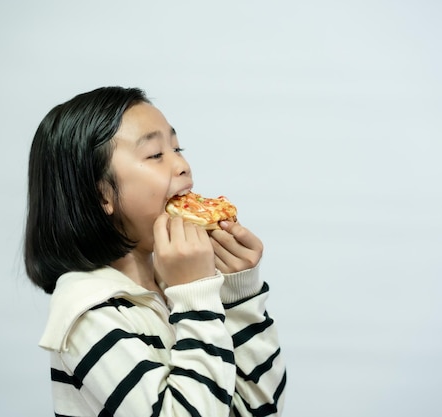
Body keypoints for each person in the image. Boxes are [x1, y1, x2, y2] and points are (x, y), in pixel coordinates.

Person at [24, 86, 286, 416]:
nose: (182, 165)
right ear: (101, 193)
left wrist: (239, 296)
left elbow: (263, 409)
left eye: (178, 148)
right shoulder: (88, 311)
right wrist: (194, 297)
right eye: (155, 155)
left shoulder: (168, 286)